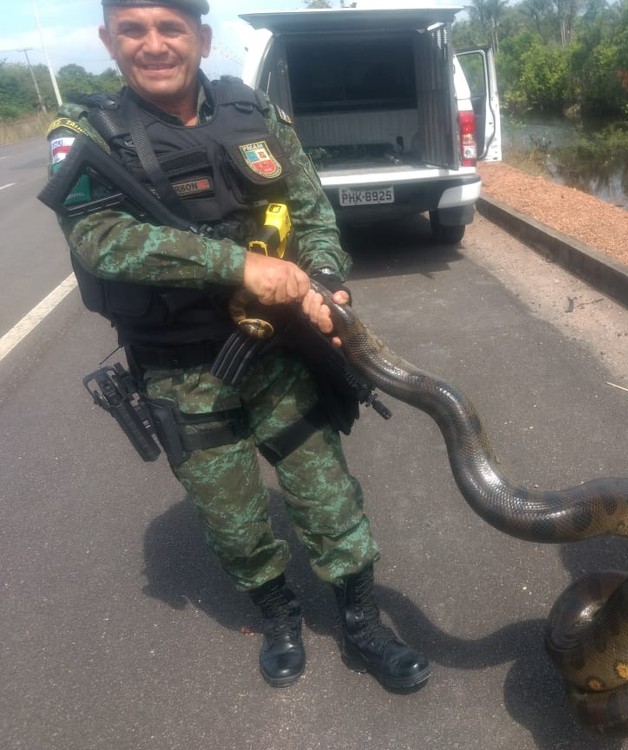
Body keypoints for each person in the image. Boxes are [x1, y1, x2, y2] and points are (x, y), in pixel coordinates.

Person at [43, 0, 430, 693]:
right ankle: (278, 612)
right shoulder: (87, 131)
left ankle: (363, 621)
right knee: (234, 521)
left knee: (329, 498)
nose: (154, 45)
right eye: (133, 29)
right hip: (179, 369)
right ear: (109, 39)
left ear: (202, 37)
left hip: (281, 356)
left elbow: (311, 213)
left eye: (171, 28)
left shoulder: (255, 113)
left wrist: (328, 284)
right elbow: (100, 238)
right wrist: (237, 267)